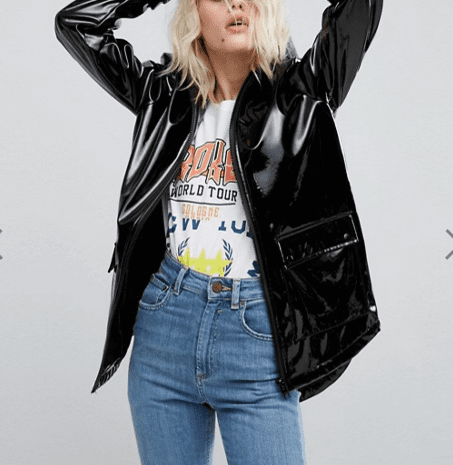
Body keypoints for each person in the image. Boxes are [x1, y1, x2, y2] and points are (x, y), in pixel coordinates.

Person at [55, 0, 383, 463]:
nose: (236, 3)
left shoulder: (304, 90)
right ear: (193, 11)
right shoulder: (162, 96)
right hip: (164, 328)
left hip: (257, 332)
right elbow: (75, 24)